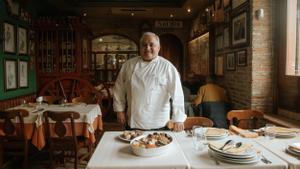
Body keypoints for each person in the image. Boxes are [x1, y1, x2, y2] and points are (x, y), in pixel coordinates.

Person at [113, 32, 186, 132]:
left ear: (158, 48)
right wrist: (119, 110)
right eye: (144, 45)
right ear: (140, 47)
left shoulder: (167, 67)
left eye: (151, 45)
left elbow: (177, 94)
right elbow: (119, 88)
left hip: (159, 124)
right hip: (134, 123)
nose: (147, 48)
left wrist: (178, 119)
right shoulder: (128, 65)